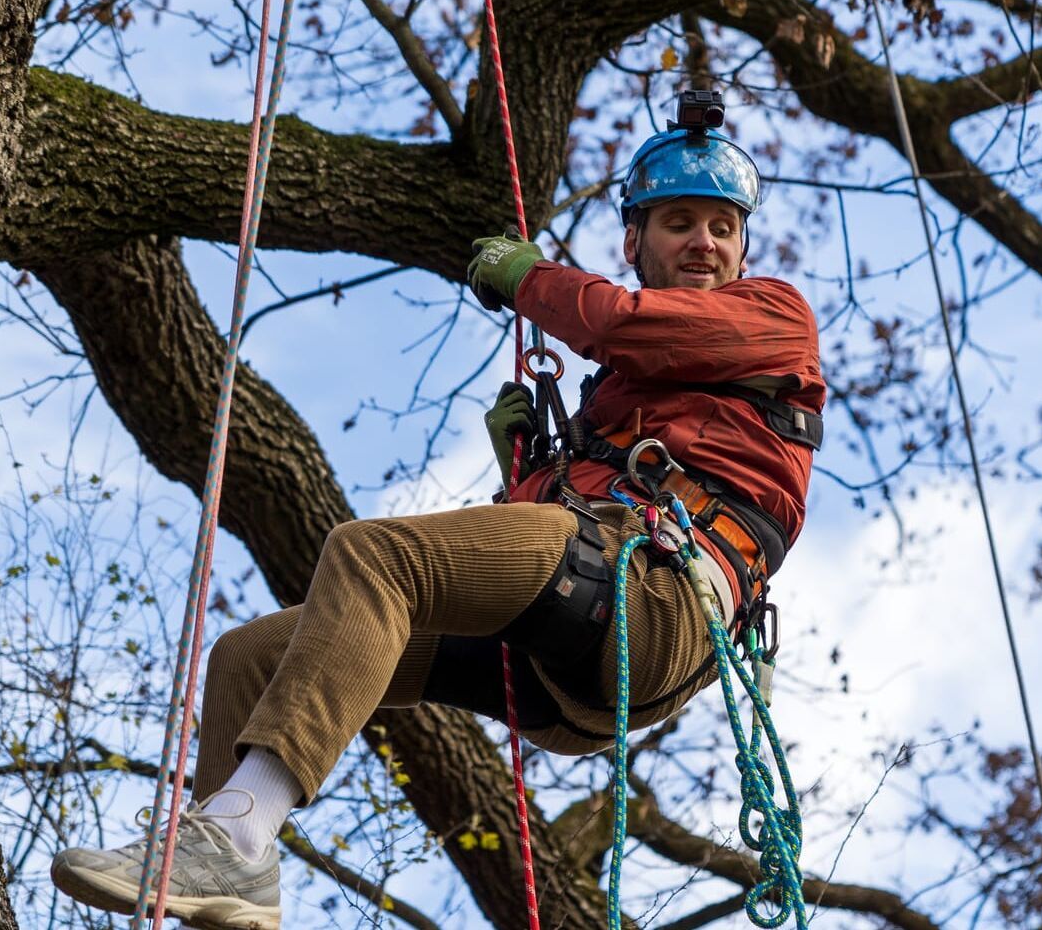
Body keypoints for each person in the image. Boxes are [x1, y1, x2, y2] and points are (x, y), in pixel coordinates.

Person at [50, 110, 825, 930]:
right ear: (635, 239)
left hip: (657, 601)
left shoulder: (775, 317)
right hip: (570, 644)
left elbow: (618, 324)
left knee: (377, 557)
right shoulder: (620, 401)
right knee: (249, 659)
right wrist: (528, 474)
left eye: (722, 228)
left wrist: (528, 279)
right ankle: (216, 876)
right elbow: (525, 549)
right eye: (679, 223)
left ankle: (236, 838)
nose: (705, 242)